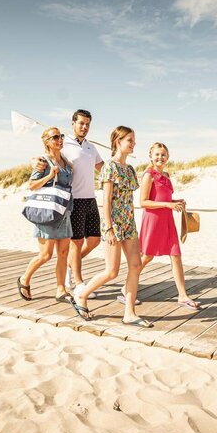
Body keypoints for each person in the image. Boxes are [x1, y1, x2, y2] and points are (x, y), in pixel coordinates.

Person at [74, 126, 151, 328]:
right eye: (130, 140)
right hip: (114, 224)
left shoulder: (130, 169)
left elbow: (129, 200)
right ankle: (82, 296)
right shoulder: (110, 167)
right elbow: (106, 201)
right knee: (112, 271)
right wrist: (108, 228)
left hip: (128, 222)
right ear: (118, 141)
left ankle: (130, 313)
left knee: (135, 265)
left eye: (134, 140)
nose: (134, 144)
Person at [18, 127, 88, 319]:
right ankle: (24, 279)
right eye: (55, 137)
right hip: (47, 211)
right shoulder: (43, 162)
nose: (59, 140)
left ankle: (60, 289)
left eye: (61, 136)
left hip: (64, 211)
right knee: (45, 255)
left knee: (63, 253)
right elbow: (32, 185)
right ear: (47, 141)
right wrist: (50, 175)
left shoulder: (65, 161)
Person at [33, 109, 104, 298]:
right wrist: (35, 161)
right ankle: (78, 283)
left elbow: (102, 169)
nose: (84, 127)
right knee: (77, 243)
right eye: (81, 123)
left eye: (87, 124)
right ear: (73, 124)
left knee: (95, 240)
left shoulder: (91, 147)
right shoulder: (64, 144)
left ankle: (71, 265)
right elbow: (46, 155)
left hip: (91, 199)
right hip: (74, 200)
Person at [138, 142, 199, 309]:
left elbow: (162, 198)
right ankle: (125, 289)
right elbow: (143, 202)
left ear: (168, 157)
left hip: (167, 220)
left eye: (163, 154)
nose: (160, 157)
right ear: (150, 156)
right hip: (153, 220)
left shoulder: (166, 175)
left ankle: (182, 295)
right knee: (146, 257)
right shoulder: (148, 175)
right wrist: (168, 205)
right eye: (157, 154)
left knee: (176, 255)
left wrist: (175, 201)